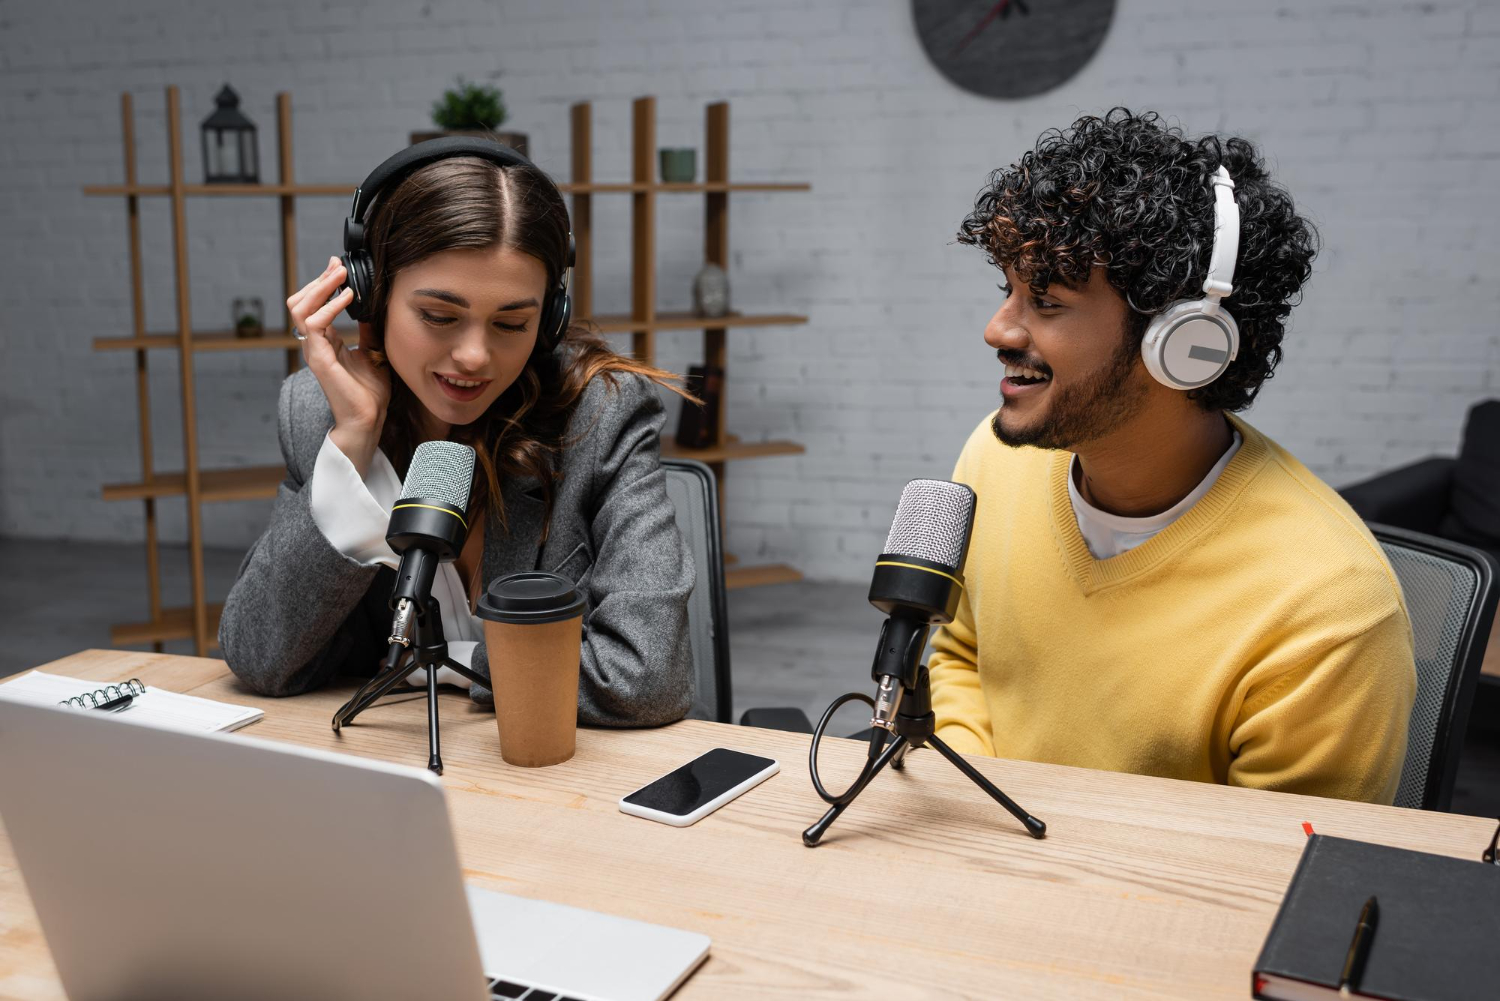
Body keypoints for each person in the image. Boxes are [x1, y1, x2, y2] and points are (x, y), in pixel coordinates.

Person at [928, 109, 1416, 803]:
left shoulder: (1325, 610)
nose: (997, 328)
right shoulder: (995, 457)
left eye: (1047, 300)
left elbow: (1278, 877)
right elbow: (961, 654)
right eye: (1007, 290)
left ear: (1187, 344)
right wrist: (982, 805)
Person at [219, 140, 697, 727]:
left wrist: (445, 664)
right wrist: (352, 443)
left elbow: (647, 681)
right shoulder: (316, 414)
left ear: (548, 320)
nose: (474, 356)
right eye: (439, 317)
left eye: (512, 323)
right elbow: (261, 659)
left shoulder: (600, 416)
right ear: (371, 299)